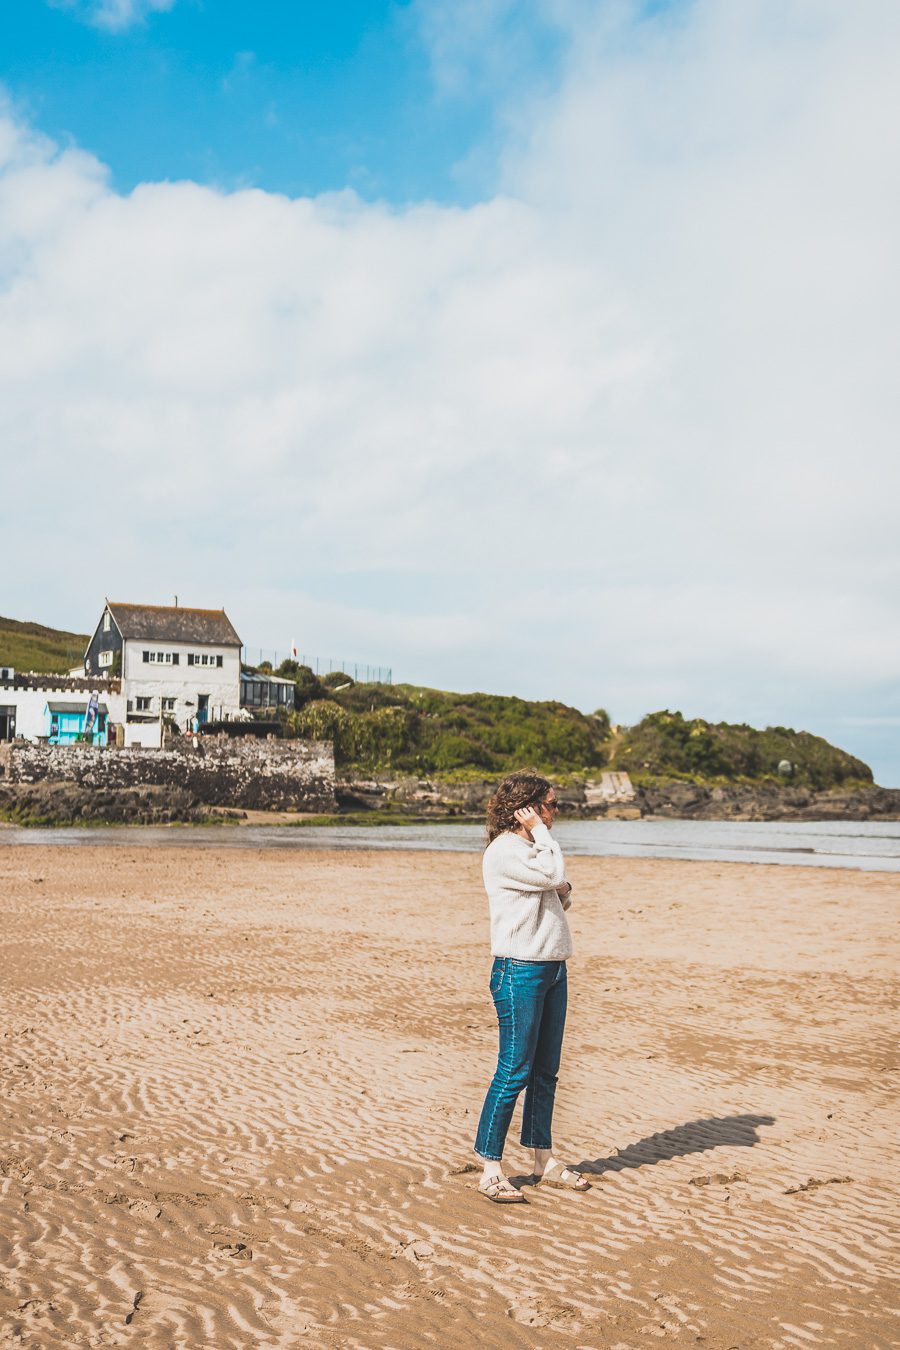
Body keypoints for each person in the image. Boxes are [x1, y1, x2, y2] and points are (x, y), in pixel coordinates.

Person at [474, 772, 591, 1203]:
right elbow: (557, 876)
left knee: (546, 1071)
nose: (556, 813)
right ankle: (490, 1166)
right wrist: (543, 838)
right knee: (514, 1070)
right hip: (518, 970)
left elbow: (562, 895)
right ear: (526, 808)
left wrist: (554, 877)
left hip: (552, 969)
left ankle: (542, 1159)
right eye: (551, 805)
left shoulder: (530, 850)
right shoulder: (505, 850)